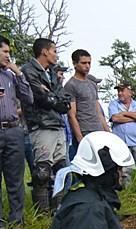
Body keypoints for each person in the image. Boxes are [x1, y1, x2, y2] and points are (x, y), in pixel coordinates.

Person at [21, 38, 70, 213]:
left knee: (61, 170)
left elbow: (64, 102)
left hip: (57, 124)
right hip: (40, 124)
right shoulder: (28, 70)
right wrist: (52, 98)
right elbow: (39, 98)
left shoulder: (53, 72)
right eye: (54, 51)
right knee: (42, 172)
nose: (56, 55)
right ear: (44, 51)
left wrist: (52, 97)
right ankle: (42, 213)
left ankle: (60, 212)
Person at [0, 35, 33, 228]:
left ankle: (17, 222)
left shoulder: (10, 75)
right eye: (4, 51)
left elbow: (28, 99)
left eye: (9, 52)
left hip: (13, 131)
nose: (8, 56)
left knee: (15, 179)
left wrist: (19, 74)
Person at [108, 83, 136, 187]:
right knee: (125, 170)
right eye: (118, 91)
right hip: (121, 143)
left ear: (130, 92)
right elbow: (115, 118)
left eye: (122, 90)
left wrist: (125, 114)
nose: (119, 93)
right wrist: (134, 117)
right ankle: (127, 192)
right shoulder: (113, 104)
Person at [64, 50, 110, 145]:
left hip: (99, 130)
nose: (87, 66)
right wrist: (79, 138)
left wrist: (108, 132)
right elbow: (71, 115)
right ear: (75, 64)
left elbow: (98, 111)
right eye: (83, 63)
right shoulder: (71, 85)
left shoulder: (92, 84)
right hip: (85, 131)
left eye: (89, 63)